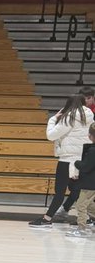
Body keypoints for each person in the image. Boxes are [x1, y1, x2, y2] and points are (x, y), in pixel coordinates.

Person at [28, 89, 95, 228]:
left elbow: (51, 135)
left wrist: (53, 119)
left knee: (60, 191)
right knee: (78, 191)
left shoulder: (70, 117)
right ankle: (87, 218)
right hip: (82, 158)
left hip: (67, 159)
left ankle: (47, 219)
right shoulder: (90, 116)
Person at [67, 121, 95, 238]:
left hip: (89, 183)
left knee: (80, 205)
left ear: (90, 136)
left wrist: (77, 163)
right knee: (88, 205)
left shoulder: (93, 151)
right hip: (92, 183)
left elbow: (86, 167)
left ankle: (81, 228)